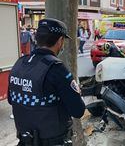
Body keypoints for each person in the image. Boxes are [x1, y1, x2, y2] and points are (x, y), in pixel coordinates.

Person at [8, 18, 85, 146]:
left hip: (24, 140)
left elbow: (12, 100)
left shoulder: (19, 64)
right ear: (60, 41)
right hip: (53, 141)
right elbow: (78, 110)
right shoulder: (57, 68)